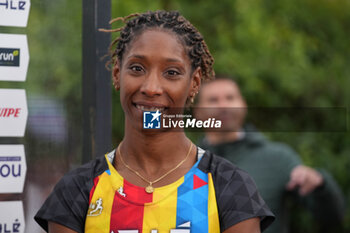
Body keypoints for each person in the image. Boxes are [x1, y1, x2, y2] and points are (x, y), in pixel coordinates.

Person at [34, 11, 274, 233]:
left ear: (195, 83)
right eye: (137, 68)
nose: (151, 88)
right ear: (117, 74)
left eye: (171, 73)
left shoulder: (230, 186)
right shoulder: (77, 190)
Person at [196, 77, 345, 233]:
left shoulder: (277, 158)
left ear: (243, 105)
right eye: (213, 100)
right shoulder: (184, 162)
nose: (223, 105)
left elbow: (332, 218)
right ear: (198, 111)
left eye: (230, 98)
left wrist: (320, 186)